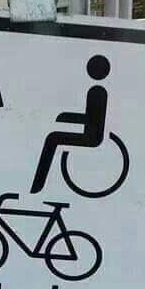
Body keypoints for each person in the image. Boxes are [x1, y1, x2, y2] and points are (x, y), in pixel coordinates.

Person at [31, 55, 110, 195]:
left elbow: (92, 120)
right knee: (53, 137)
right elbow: (89, 117)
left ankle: (37, 184)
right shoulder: (96, 90)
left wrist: (66, 117)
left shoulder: (97, 92)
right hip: (89, 133)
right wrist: (65, 116)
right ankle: (37, 184)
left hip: (92, 138)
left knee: (53, 138)